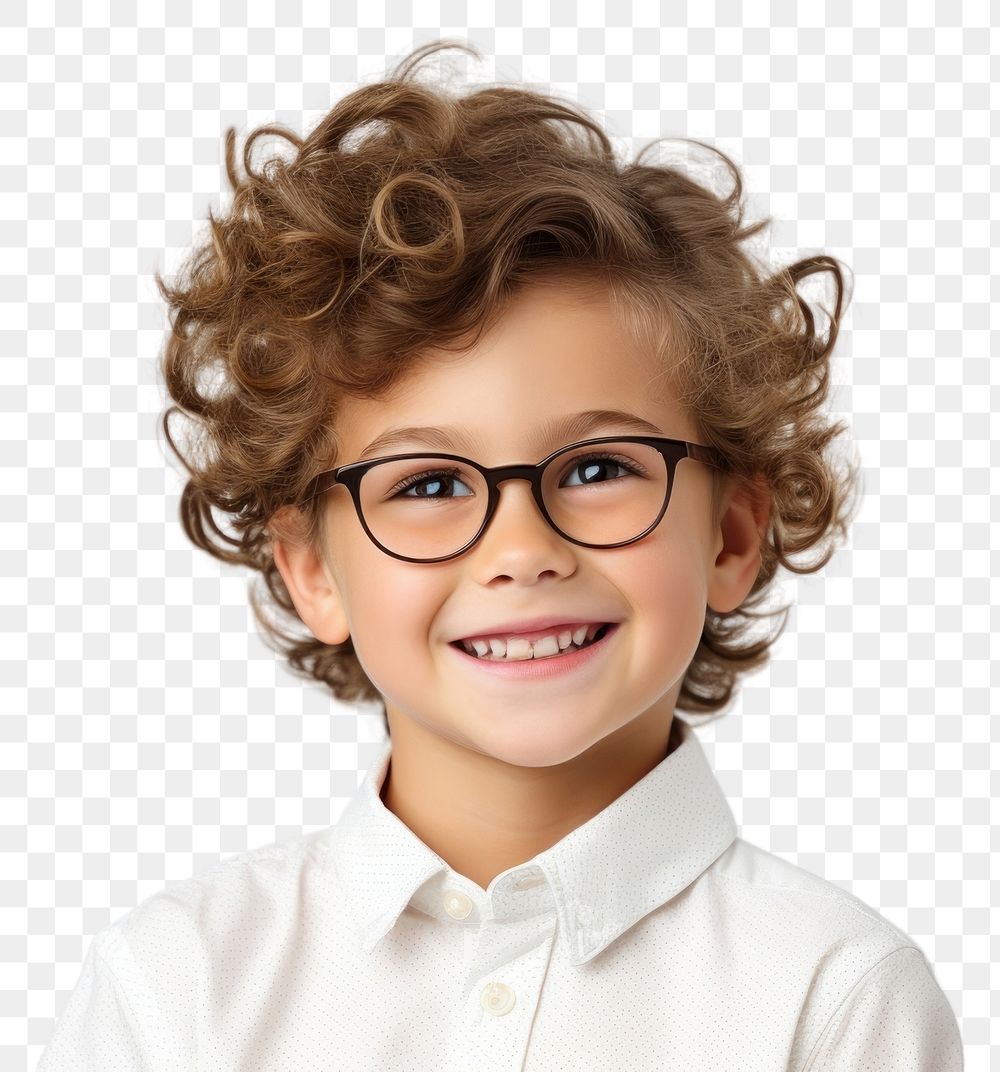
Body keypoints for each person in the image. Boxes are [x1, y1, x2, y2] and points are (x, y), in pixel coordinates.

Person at [37, 38, 963, 1071]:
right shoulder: (175, 987)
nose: (522, 550)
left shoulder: (832, 993)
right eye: (427, 485)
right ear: (309, 570)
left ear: (732, 535)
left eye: (598, 468)